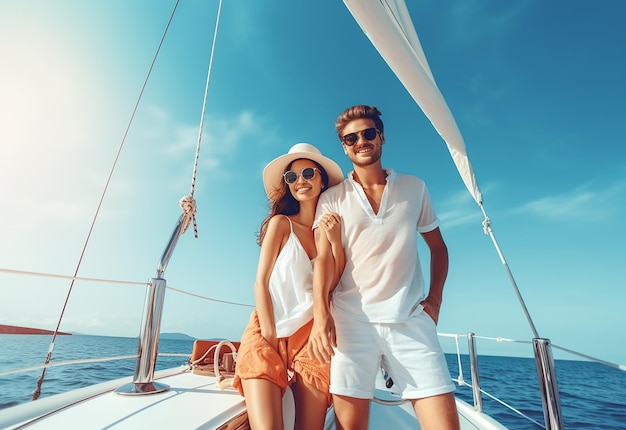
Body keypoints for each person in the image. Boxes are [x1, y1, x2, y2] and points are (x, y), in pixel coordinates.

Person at [308, 105, 460, 430]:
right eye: (351, 138)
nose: (360, 141)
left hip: (409, 321)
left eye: (367, 133)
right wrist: (321, 316)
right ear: (344, 147)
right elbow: (323, 260)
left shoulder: (414, 188)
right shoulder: (332, 198)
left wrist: (435, 300)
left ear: (381, 137)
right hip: (350, 324)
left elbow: (439, 248)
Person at [233, 143, 345, 430]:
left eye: (308, 173)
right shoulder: (281, 224)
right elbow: (260, 282)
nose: (301, 181)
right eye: (292, 177)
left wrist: (334, 241)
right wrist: (270, 338)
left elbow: (332, 283)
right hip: (267, 331)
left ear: (322, 179)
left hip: (310, 339)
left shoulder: (326, 231)